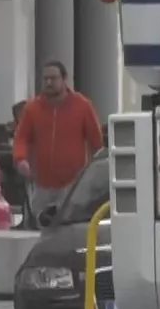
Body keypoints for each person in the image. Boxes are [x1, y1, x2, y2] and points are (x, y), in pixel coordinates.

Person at [11, 61, 102, 226]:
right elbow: (22, 138)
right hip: (42, 184)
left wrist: (94, 174)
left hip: (73, 185)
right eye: (45, 79)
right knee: (42, 227)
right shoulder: (33, 109)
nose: (48, 83)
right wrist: (21, 159)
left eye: (53, 78)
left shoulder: (82, 106)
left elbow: (97, 141)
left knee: (69, 226)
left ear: (64, 79)